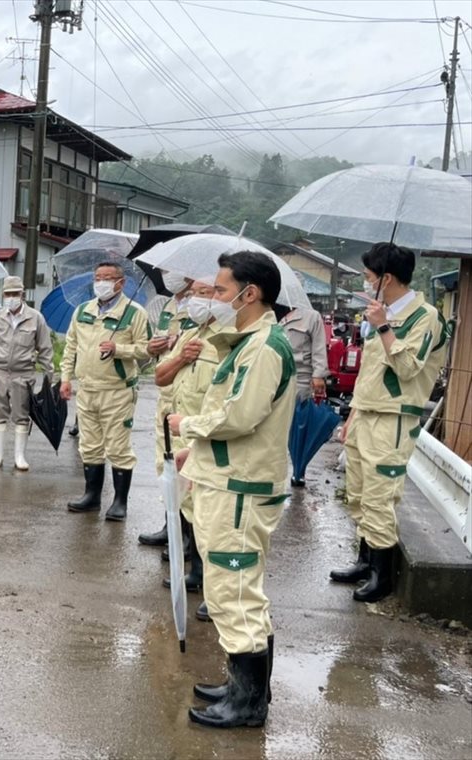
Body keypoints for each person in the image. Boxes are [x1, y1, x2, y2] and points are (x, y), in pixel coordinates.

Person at [168, 250, 296, 729]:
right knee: (236, 589)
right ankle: (244, 686)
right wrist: (195, 452)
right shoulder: (248, 342)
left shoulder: (263, 347)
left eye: (221, 291)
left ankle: (247, 705)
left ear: (250, 294)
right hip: (228, 477)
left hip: (240, 488)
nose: (215, 299)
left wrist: (189, 424)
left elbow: (240, 417)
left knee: (233, 591)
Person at [331, 243, 446, 603]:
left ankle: (382, 575)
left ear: (387, 279)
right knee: (360, 492)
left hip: (394, 419)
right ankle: (365, 560)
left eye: (368, 276)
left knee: (381, 496)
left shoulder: (423, 316)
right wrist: (352, 415)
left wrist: (383, 327)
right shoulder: (378, 315)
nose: (365, 282)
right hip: (366, 412)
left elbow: (409, 367)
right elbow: (369, 371)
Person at [154, 280, 225, 622]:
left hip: (208, 436)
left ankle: (217, 589)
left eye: (208, 292)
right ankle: (197, 574)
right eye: (194, 292)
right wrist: (181, 356)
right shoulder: (189, 332)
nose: (197, 299)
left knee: (211, 516)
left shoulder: (230, 340)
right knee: (188, 507)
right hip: (181, 433)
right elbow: (160, 376)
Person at [61, 262, 152, 521]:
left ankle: (120, 502)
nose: (101, 282)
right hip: (87, 389)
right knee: (89, 445)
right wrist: (65, 378)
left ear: (120, 283)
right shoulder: (82, 311)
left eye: (107, 278)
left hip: (117, 391)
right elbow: (71, 347)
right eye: (97, 277)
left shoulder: (134, 313)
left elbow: (147, 349)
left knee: (118, 447)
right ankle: (91, 496)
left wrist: (119, 349)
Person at [138, 271, 193, 545]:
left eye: (177, 271)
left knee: (187, 466)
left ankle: (187, 535)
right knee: (165, 462)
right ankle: (170, 525)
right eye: (167, 271)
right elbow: (155, 347)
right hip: (165, 391)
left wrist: (177, 345)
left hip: (188, 394)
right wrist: (153, 346)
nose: (171, 276)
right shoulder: (167, 306)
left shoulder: (200, 306)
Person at [0, 276, 53, 472]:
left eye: (15, 294)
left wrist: (49, 377)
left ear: (22, 294)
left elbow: (45, 348)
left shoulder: (35, 318)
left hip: (23, 372)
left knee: (22, 414)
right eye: (7, 294)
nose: (11, 298)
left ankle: (19, 456)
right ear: (3, 295)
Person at [279, 305, 330, 487]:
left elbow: (318, 346)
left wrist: (318, 375)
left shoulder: (310, 317)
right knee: (277, 426)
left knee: (299, 425)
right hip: (276, 374)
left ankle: (299, 468)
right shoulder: (271, 312)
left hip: (301, 377)